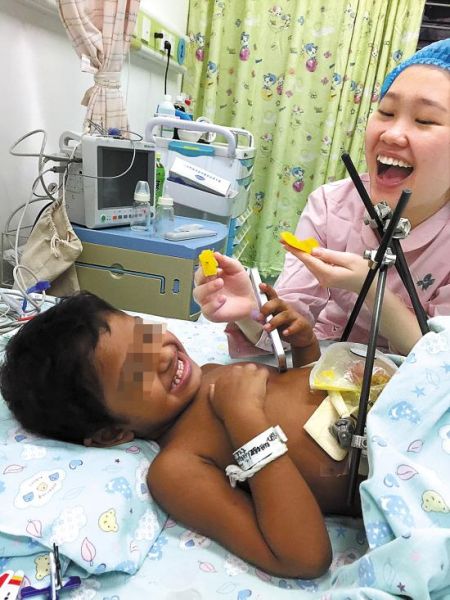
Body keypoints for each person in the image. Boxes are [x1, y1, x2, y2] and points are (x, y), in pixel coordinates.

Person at [0, 291, 364, 579]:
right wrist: (247, 420)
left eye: (144, 332)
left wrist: (305, 349)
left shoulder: (208, 372)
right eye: (134, 369)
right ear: (111, 433)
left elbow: (304, 405)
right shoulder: (177, 469)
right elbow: (304, 556)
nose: (161, 354)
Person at [193, 39, 450, 356]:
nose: (392, 134)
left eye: (425, 120)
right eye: (386, 112)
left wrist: (369, 287)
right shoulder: (332, 205)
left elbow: (439, 360)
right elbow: (291, 325)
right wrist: (250, 310)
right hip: (321, 358)